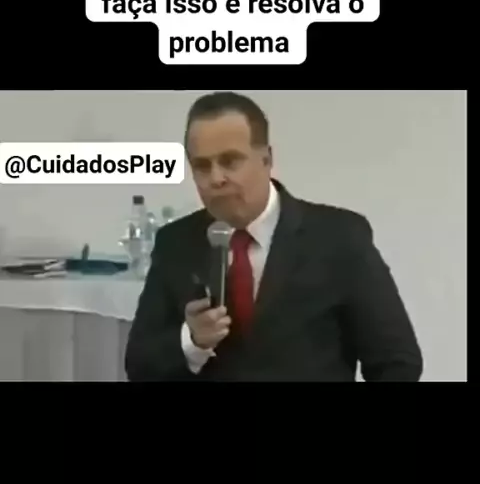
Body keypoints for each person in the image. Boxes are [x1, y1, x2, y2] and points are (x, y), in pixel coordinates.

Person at [125, 92, 423, 382]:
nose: (216, 178)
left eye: (230, 161)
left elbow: (397, 362)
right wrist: (192, 341)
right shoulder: (175, 243)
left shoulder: (339, 237)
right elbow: (139, 366)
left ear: (266, 159)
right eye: (202, 166)